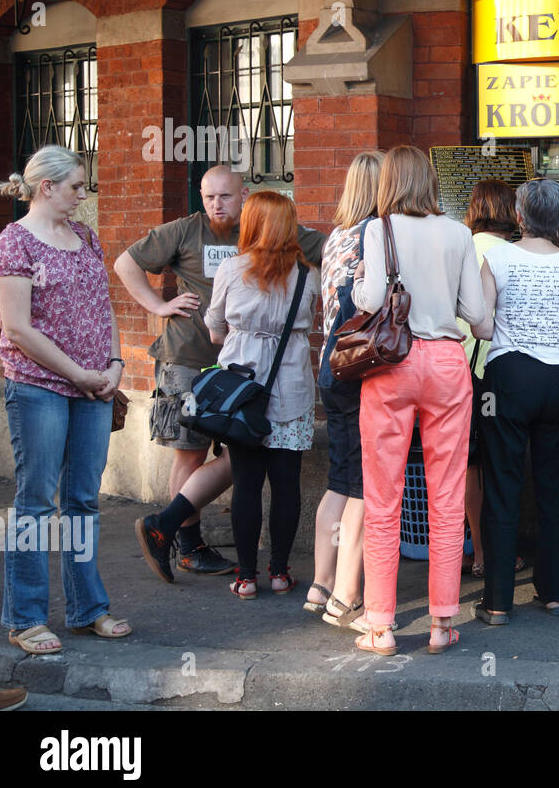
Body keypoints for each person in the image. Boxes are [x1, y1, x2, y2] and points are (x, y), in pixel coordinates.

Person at [120, 165, 324, 581]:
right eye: (209, 196)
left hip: (240, 369)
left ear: (244, 197)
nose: (217, 204)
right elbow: (126, 263)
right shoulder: (183, 230)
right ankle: (190, 545)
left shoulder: (264, 232)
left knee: (242, 461)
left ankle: (172, 527)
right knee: (191, 451)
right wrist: (159, 306)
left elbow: (333, 244)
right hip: (190, 360)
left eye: (226, 197)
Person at [0, 145, 131, 654]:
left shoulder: (86, 237)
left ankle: (87, 609)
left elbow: (105, 308)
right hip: (39, 387)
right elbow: (18, 328)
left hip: (94, 387)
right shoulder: (13, 244)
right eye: (75, 185)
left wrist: (115, 366)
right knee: (34, 504)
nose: (82, 194)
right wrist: (80, 375)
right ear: (46, 187)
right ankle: (26, 617)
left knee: (83, 501)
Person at [350, 145, 485, 656]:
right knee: (447, 495)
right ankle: (442, 622)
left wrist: (364, 282)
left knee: (383, 495)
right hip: (449, 364)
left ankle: (380, 624)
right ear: (429, 180)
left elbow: (369, 302)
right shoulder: (459, 233)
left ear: (389, 182)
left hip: (393, 363)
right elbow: (477, 314)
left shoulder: (379, 229)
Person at [471, 179, 559, 624]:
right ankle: (557, 594)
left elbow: (483, 328)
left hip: (509, 376)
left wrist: (518, 329)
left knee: (503, 488)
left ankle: (498, 603)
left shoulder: (497, 257)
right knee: (555, 487)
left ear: (520, 217)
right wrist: (549, 332)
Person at [198, 191, 319, 598]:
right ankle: (281, 573)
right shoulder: (308, 274)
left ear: (250, 224)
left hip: (242, 393)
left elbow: (214, 328)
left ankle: (246, 577)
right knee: (287, 484)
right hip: (293, 389)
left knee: (246, 484)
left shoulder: (232, 270)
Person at [304, 151, 382, 617]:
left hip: (331, 366)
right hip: (361, 368)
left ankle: (319, 584)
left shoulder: (334, 237)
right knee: (363, 485)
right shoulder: (376, 234)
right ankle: (343, 593)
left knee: (338, 479)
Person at [455, 179, 524, 580]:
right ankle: (497, 551)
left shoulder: (458, 249)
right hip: (496, 372)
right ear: (511, 213)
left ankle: (476, 550)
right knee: (501, 463)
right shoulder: (512, 255)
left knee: (467, 465)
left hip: (456, 371)